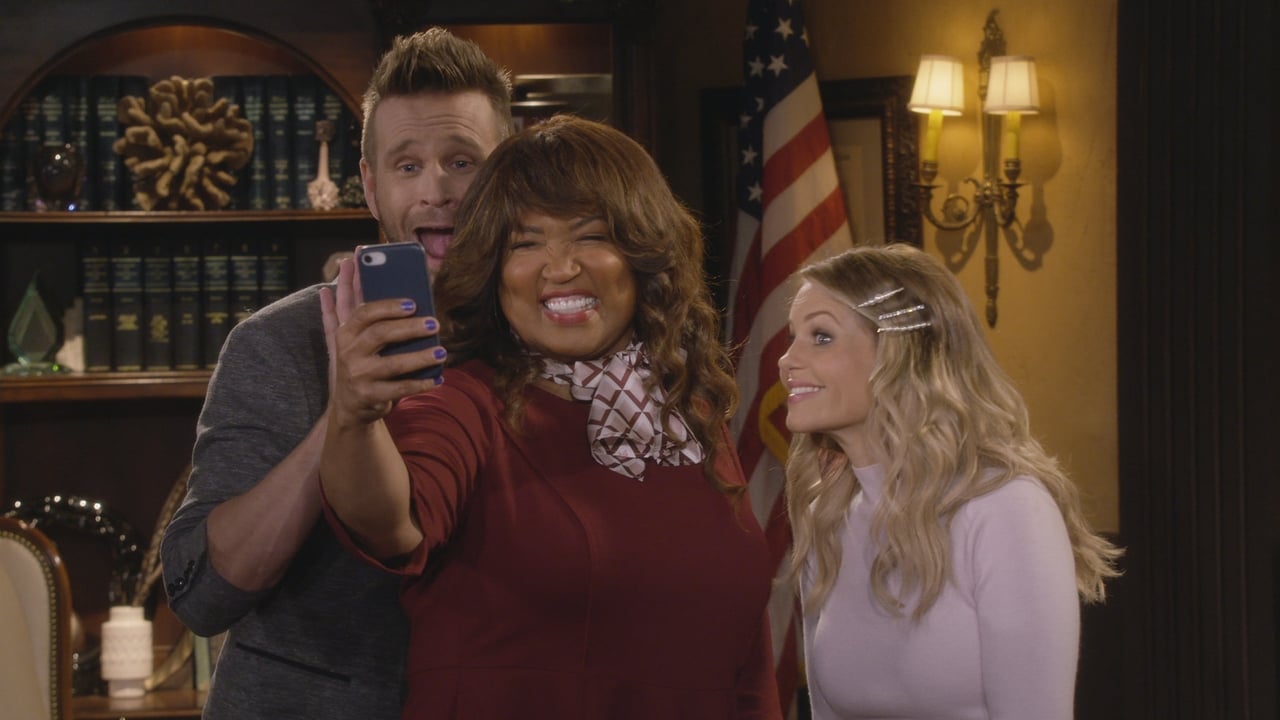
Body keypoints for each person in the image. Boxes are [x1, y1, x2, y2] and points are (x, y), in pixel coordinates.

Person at [317, 115, 783, 719]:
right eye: (525, 244)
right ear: (492, 269)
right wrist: (354, 415)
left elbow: (745, 657)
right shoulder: (462, 399)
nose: (559, 267)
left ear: (643, 256)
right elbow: (389, 524)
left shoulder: (687, 411)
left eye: (591, 236)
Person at [159, 28, 512, 719]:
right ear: (371, 186)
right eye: (407, 166)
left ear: (507, 175)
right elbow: (205, 597)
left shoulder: (546, 337)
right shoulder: (275, 345)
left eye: (462, 161)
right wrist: (346, 411)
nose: (437, 191)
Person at [777, 243, 1122, 720]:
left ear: (899, 353)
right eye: (792, 337)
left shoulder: (1006, 509)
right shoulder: (827, 517)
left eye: (820, 336)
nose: (786, 360)